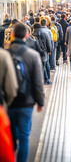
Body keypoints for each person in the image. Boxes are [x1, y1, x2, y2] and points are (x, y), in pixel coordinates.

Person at [8, 22, 44, 162]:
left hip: (8, 103)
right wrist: (40, 101)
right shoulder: (33, 55)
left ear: (12, 35)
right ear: (27, 35)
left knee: (10, 136)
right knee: (24, 137)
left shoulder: (4, 55)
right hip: (27, 103)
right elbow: (38, 82)